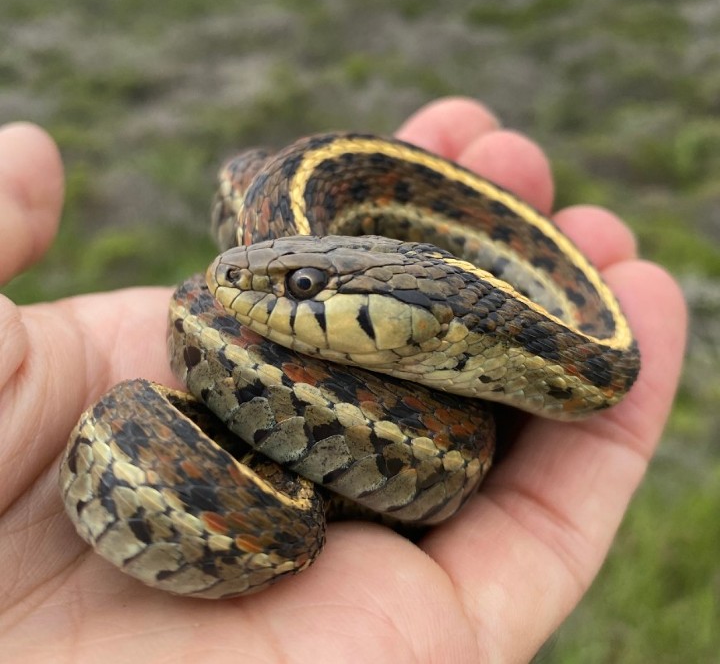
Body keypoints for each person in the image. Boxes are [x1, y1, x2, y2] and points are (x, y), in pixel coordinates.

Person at [0, 98, 686, 664]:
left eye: (302, 288)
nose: (228, 276)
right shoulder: (302, 208)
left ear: (427, 325)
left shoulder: (591, 362)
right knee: (253, 183)